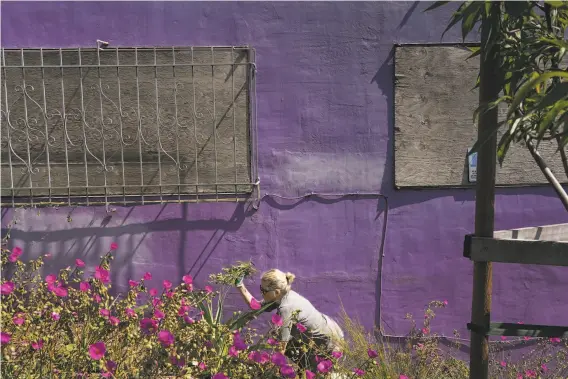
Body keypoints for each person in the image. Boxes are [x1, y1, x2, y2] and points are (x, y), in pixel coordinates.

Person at [235, 269, 345, 371]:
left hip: (329, 344)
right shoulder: (282, 295)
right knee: (288, 344)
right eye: (261, 288)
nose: (261, 293)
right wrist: (239, 285)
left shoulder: (286, 308)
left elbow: (281, 348)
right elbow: (256, 306)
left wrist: (263, 368)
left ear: (276, 292)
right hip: (325, 332)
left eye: (264, 290)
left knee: (290, 350)